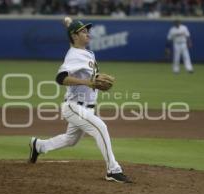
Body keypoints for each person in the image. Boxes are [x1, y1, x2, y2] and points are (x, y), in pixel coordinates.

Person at [28, 18, 132, 184]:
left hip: (86, 108)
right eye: (83, 31)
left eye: (87, 30)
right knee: (101, 127)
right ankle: (113, 169)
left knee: (71, 140)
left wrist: (70, 25)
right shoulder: (74, 55)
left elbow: (73, 36)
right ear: (75, 36)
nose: (88, 33)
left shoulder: (85, 52)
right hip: (74, 107)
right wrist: (87, 82)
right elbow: (60, 78)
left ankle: (38, 145)